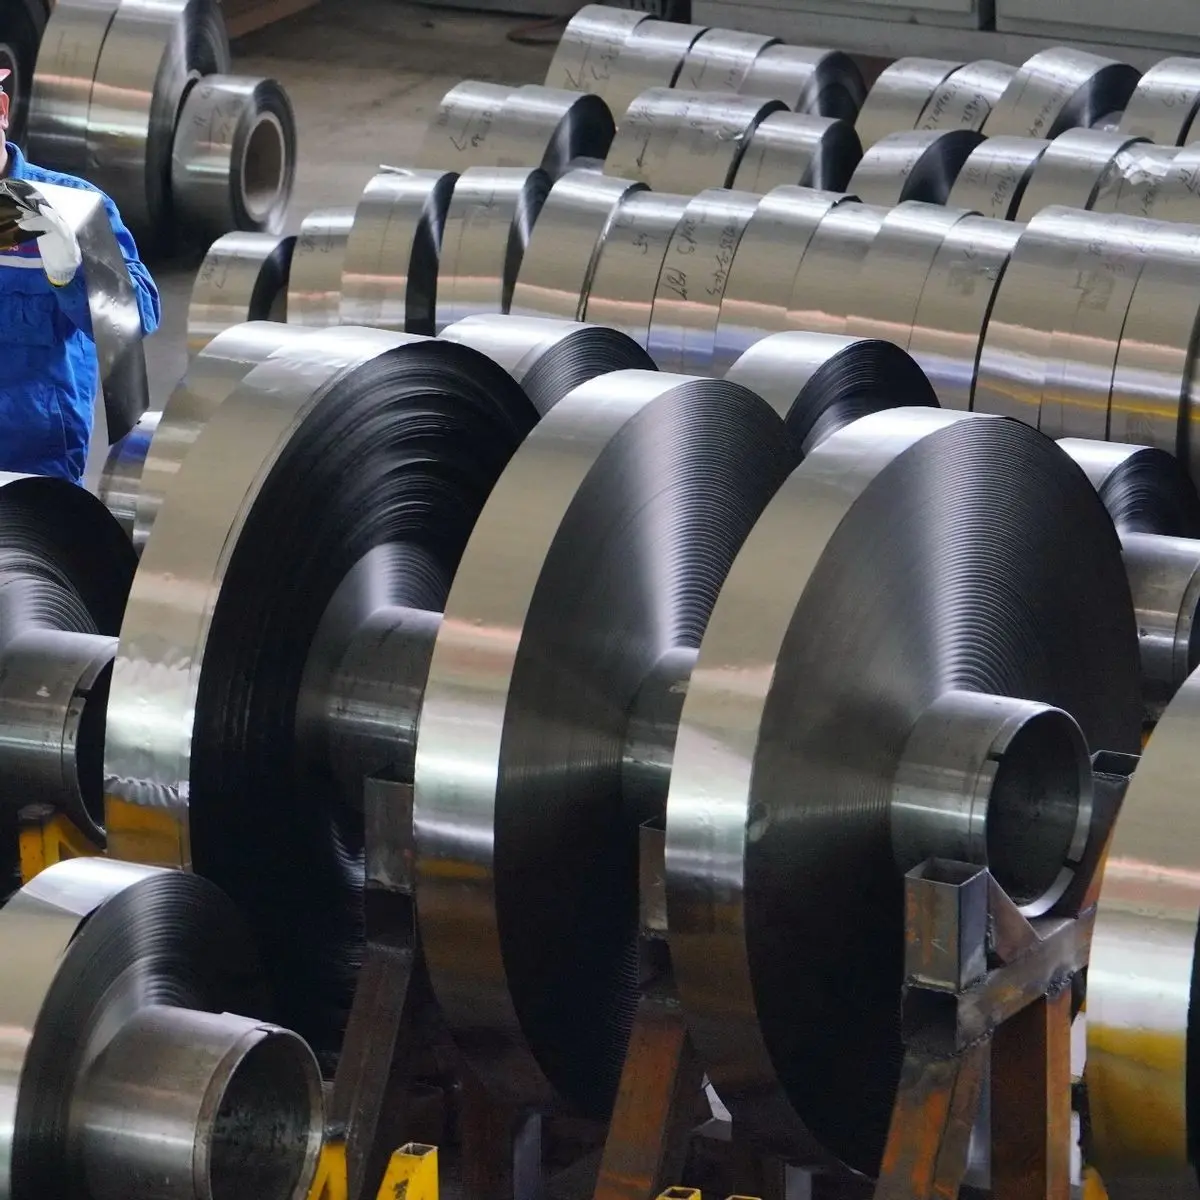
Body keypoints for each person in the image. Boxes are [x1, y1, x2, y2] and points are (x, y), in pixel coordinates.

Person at [0, 67, 160, 483]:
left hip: (33, 462)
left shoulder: (73, 206)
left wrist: (73, 276)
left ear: (1, 110)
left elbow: (138, 315)